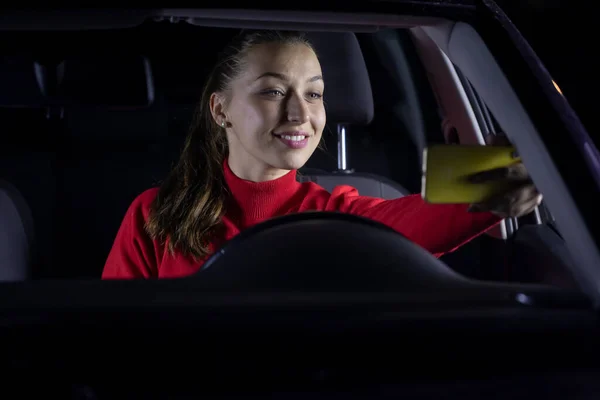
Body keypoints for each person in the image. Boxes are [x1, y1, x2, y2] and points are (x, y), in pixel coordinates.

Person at [102, 30, 542, 279]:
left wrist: (506, 178)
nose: (300, 114)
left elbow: (426, 218)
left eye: (314, 94)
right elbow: (115, 342)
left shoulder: (339, 216)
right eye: (274, 91)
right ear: (221, 109)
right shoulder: (155, 215)